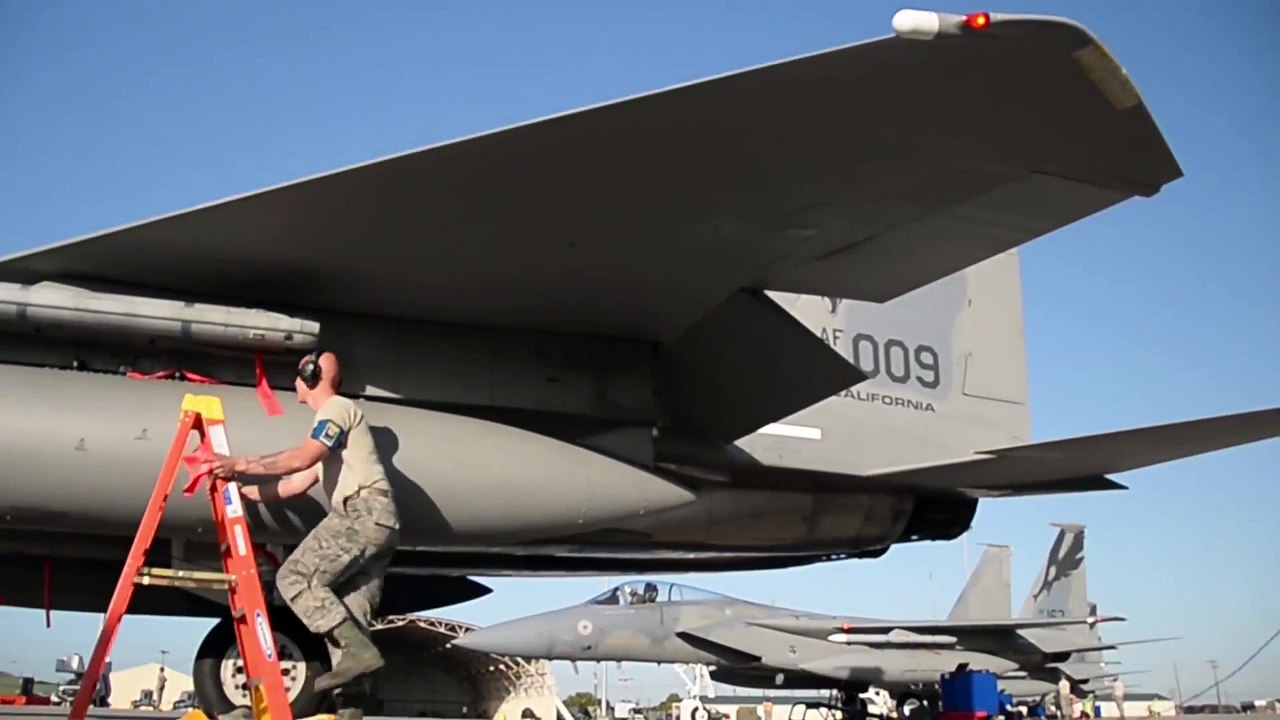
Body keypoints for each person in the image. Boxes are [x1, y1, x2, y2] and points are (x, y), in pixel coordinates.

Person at [200, 349, 401, 693]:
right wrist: (242, 492)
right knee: (348, 622)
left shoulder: (336, 409)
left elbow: (301, 457)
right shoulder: (338, 439)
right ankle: (352, 704)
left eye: (298, 375)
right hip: (380, 525)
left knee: (295, 579)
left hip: (362, 512)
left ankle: (359, 652)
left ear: (311, 376)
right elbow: (293, 485)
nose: (294, 383)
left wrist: (239, 464)